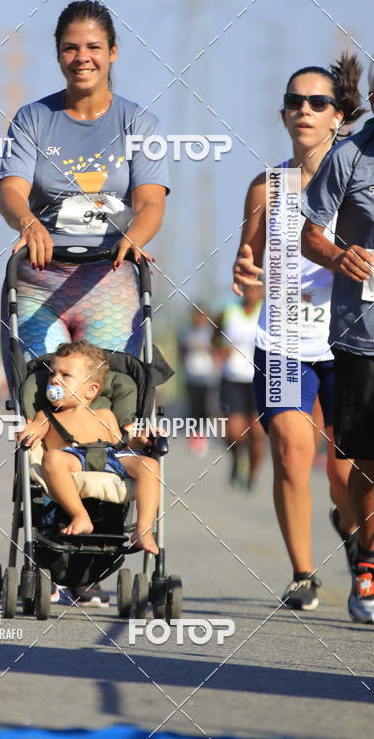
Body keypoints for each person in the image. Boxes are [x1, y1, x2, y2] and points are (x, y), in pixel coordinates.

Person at [0, 0, 170, 603]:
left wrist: (133, 237)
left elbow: (150, 202)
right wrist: (26, 222)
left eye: (93, 47)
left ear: (113, 53)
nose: (82, 58)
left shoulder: (137, 123)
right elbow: (12, 190)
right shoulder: (34, 119)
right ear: (59, 55)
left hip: (110, 283)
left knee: (110, 407)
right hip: (42, 281)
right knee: (47, 399)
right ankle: (59, 537)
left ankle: (106, 537)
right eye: (71, 47)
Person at [233, 53, 363, 611]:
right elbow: (248, 262)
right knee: (289, 448)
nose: (304, 110)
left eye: (318, 102)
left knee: (343, 474)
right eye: (294, 102)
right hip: (284, 340)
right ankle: (303, 573)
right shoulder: (266, 186)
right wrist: (243, 271)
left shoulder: (362, 176)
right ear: (283, 114)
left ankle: (359, 545)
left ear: (339, 115)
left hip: (351, 341)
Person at [301, 59, 374, 623]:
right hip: (361, 335)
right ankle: (368, 564)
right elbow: (311, 236)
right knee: (364, 461)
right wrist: (339, 254)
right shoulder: (348, 155)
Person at [17, 340, 160, 555]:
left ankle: (143, 529)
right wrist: (32, 430)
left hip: (110, 456)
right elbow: (35, 429)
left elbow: (121, 444)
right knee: (51, 459)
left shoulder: (105, 414)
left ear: (91, 390)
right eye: (52, 374)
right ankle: (80, 515)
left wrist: (139, 441)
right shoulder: (46, 415)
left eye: (65, 376)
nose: (54, 380)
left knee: (149, 465)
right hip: (74, 458)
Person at [213, 284, 266, 490]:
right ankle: (236, 460)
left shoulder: (269, 311)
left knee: (257, 433)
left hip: (260, 379)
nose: (251, 293)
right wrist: (218, 349)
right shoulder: (229, 311)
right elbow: (214, 335)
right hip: (232, 378)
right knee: (234, 433)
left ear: (261, 291)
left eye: (255, 289)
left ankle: (252, 476)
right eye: (247, 288)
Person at [178, 306, 220, 456]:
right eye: (196, 315)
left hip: (208, 377)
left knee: (206, 409)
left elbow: (218, 350)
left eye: (202, 315)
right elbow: (181, 352)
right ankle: (193, 439)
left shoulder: (212, 332)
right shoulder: (186, 332)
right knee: (193, 409)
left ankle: (203, 438)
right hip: (191, 376)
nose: (199, 318)